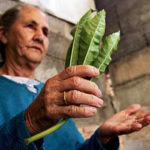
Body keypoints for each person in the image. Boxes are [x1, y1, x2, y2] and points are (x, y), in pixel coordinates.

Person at [0, 3, 150, 150]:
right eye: (30, 26)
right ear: (4, 34)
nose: (40, 37)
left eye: (45, 32)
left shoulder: (54, 93)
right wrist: (29, 122)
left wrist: (102, 139)